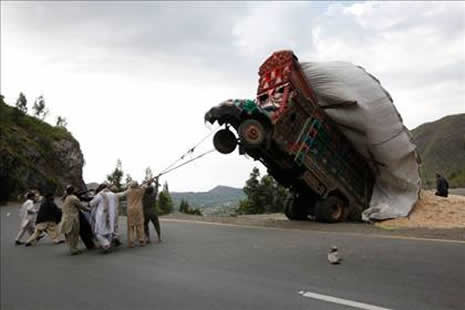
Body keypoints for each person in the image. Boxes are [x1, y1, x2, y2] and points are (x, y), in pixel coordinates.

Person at [89, 184, 122, 253]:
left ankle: (106, 244)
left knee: (98, 232)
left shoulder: (99, 195)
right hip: (111, 215)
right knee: (110, 230)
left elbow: (92, 204)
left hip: (102, 216)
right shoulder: (113, 194)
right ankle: (108, 244)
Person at [59, 185, 86, 255]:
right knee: (74, 234)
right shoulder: (74, 198)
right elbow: (81, 206)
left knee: (69, 234)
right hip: (73, 218)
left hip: (65, 218)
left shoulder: (66, 198)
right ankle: (74, 249)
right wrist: (88, 209)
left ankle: (73, 248)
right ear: (73, 191)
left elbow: (62, 199)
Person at [119, 181, 147, 248]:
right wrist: (144, 183)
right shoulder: (140, 190)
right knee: (140, 225)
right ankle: (141, 240)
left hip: (130, 210)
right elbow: (145, 186)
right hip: (138, 210)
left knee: (131, 227)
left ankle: (131, 242)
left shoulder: (128, 191)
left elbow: (121, 194)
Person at [142, 178, 162, 243]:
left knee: (145, 225)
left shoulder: (144, 195)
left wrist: (148, 182)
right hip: (153, 212)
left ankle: (148, 238)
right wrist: (156, 180)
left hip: (145, 213)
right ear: (152, 191)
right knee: (156, 224)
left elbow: (142, 188)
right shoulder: (154, 195)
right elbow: (156, 188)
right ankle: (159, 238)